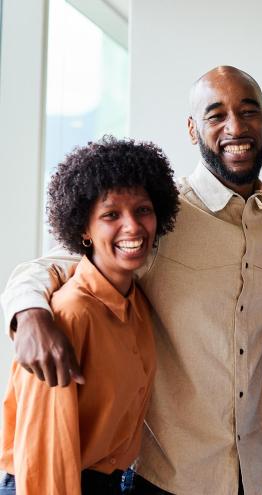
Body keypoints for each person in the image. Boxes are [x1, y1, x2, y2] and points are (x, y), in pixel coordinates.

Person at [1, 66, 262, 494]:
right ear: (192, 128)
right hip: (168, 474)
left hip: (256, 473)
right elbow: (51, 266)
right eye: (216, 115)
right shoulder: (155, 218)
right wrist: (29, 312)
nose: (235, 127)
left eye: (248, 111)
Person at [0, 137, 180, 494]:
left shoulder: (138, 303)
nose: (132, 227)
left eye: (143, 210)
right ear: (84, 229)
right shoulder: (70, 315)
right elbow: (44, 456)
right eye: (111, 215)